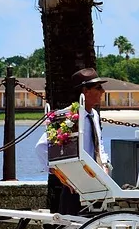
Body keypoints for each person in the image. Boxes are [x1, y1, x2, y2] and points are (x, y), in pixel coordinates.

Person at [37, 68, 109, 215]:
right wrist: (62, 175)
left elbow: (98, 144)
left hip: (95, 181)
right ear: (85, 91)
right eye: (98, 87)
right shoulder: (69, 116)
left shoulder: (93, 115)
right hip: (76, 185)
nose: (103, 91)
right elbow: (42, 147)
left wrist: (105, 165)